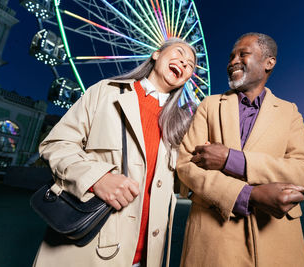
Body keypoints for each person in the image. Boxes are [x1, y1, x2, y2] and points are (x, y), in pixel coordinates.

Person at [33, 38, 197, 267]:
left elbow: (183, 183)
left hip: (147, 256)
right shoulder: (105, 92)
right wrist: (96, 179)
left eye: (191, 65)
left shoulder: (182, 126)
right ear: (156, 54)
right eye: (179, 53)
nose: (184, 62)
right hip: (90, 246)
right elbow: (56, 144)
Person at [177, 33, 304, 267]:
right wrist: (249, 195)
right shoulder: (210, 105)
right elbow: (186, 165)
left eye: (243, 54)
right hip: (214, 240)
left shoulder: (289, 111)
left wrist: (231, 159)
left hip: (276, 243)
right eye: (231, 56)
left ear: (269, 62)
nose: (233, 61)